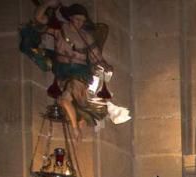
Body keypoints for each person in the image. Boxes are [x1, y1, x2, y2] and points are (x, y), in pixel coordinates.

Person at [19, 1, 129, 135]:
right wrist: (47, 3)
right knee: (71, 98)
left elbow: (97, 58)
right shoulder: (60, 29)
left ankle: (102, 110)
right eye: (77, 19)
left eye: (82, 20)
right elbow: (39, 20)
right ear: (70, 17)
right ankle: (100, 111)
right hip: (63, 70)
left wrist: (105, 65)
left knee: (76, 97)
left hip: (79, 71)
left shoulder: (86, 37)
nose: (79, 23)